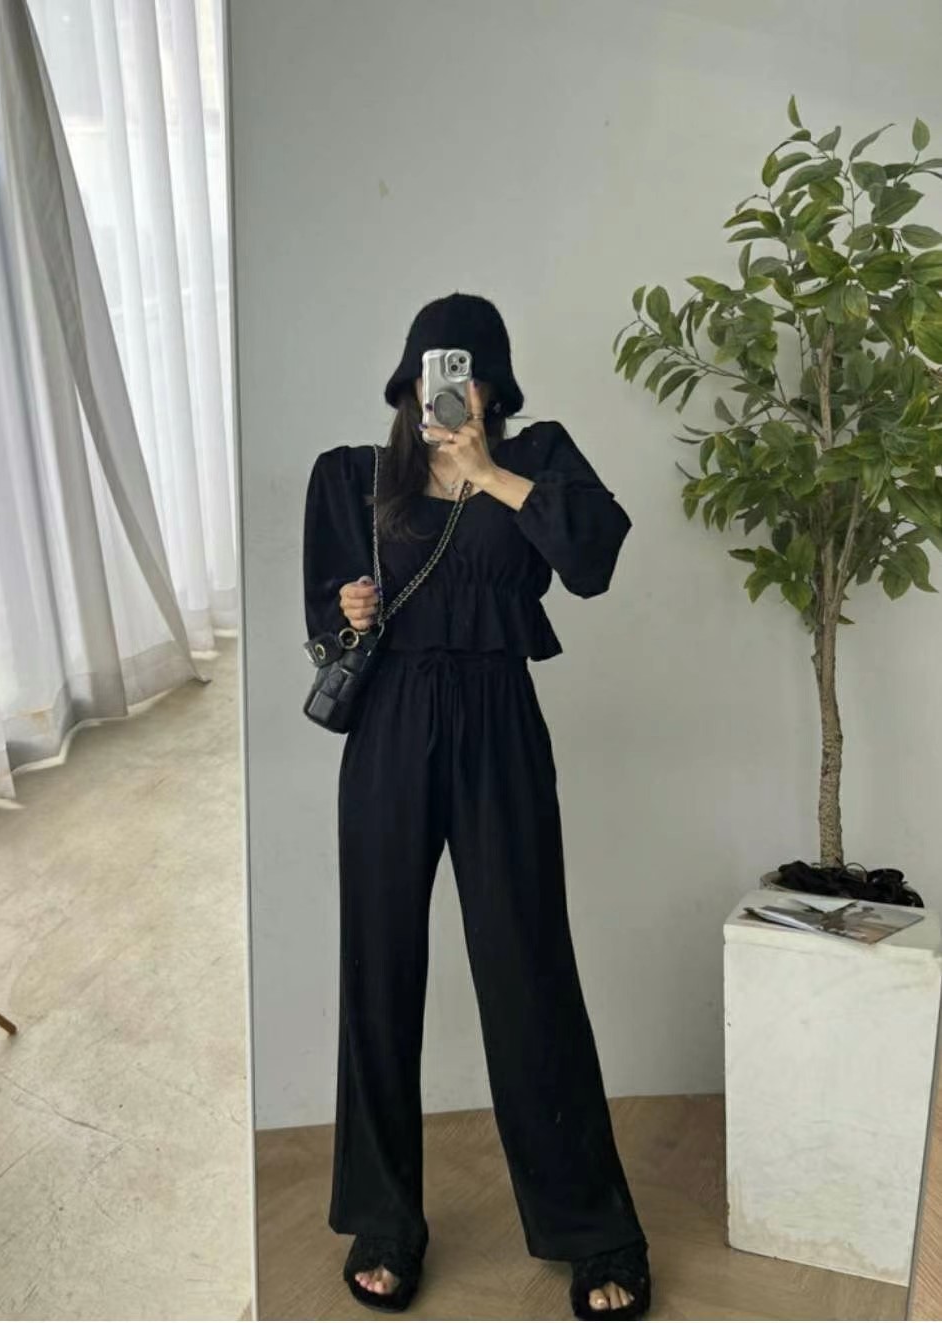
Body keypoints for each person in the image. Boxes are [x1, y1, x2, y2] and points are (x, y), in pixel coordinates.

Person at [302, 292, 651, 1320]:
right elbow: (326, 626)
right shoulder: (353, 477)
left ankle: (592, 1229)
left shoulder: (538, 459)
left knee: (527, 964)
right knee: (378, 968)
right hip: (390, 727)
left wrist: (490, 471)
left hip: (500, 721)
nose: (448, 391)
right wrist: (347, 610)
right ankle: (384, 1219)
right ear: (408, 382)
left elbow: (592, 560)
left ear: (493, 385)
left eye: (466, 374)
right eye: (431, 374)